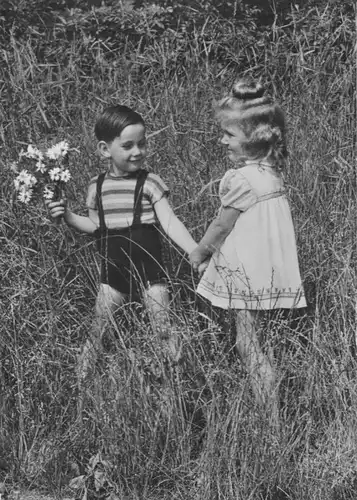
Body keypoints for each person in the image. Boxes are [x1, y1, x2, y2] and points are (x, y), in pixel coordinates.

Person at [47, 104, 197, 384]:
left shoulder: (150, 182)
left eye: (142, 143)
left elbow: (170, 222)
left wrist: (194, 250)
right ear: (105, 150)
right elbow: (94, 226)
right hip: (112, 275)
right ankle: (81, 384)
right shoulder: (97, 186)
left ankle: (173, 388)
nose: (137, 152)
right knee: (98, 329)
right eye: (127, 146)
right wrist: (66, 215)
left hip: (151, 274)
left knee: (163, 328)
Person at [190, 78, 306, 424]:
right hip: (271, 270)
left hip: (248, 274)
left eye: (229, 134)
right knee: (258, 339)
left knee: (247, 343)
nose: (222, 139)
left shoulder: (240, 179)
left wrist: (201, 252)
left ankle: (270, 417)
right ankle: (270, 399)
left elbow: (222, 226)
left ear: (252, 138)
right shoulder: (271, 174)